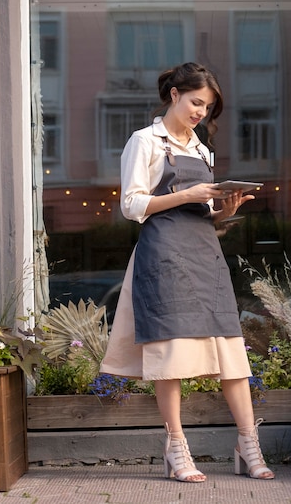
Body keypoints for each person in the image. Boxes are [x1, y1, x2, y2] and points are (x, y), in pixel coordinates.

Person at [100, 62, 274, 483]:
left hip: (204, 254)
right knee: (171, 356)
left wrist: (221, 209)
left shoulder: (200, 148)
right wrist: (187, 195)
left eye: (208, 106)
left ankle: (248, 444)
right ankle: (176, 448)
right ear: (174, 94)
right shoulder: (144, 141)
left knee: (231, 355)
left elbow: (203, 212)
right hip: (163, 255)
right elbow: (131, 206)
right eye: (196, 102)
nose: (201, 112)